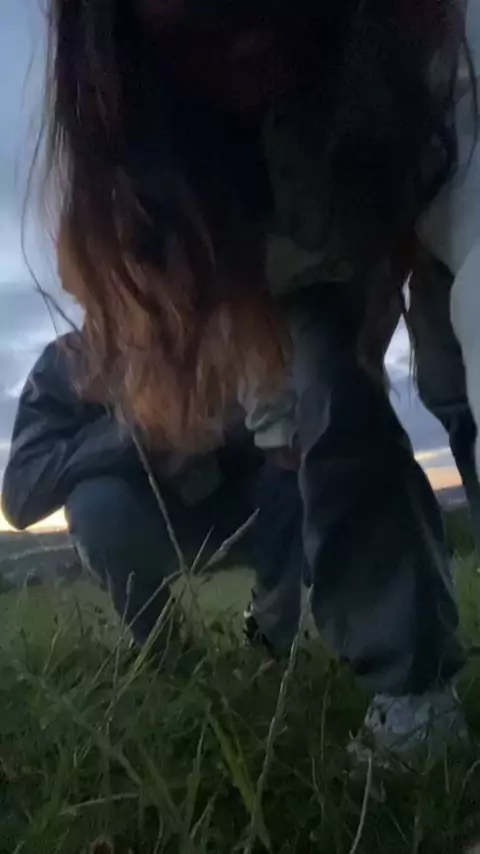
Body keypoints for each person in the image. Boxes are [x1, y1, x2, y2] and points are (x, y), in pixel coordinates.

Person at [40, 1, 476, 759]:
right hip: (302, 262)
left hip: (423, 137)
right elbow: (246, 317)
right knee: (330, 413)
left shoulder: (439, 41)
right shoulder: (165, 173)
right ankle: (414, 696)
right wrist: (268, 419)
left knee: (453, 377)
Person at [1, 334, 305, 655]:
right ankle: (165, 652)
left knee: (306, 476)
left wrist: (232, 423)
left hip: (251, 511)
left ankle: (270, 643)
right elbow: (21, 495)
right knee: (95, 507)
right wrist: (138, 434)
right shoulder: (69, 360)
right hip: (146, 519)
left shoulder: (243, 331)